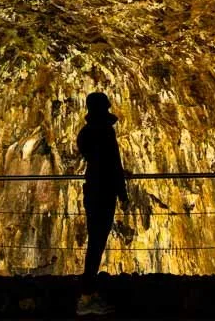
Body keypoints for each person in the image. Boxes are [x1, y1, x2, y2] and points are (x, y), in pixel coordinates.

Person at [75, 92, 128, 316]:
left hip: (93, 189)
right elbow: (113, 164)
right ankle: (86, 297)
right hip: (104, 192)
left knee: (95, 242)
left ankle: (89, 292)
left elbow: (87, 153)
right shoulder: (105, 132)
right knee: (97, 242)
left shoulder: (86, 133)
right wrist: (122, 193)